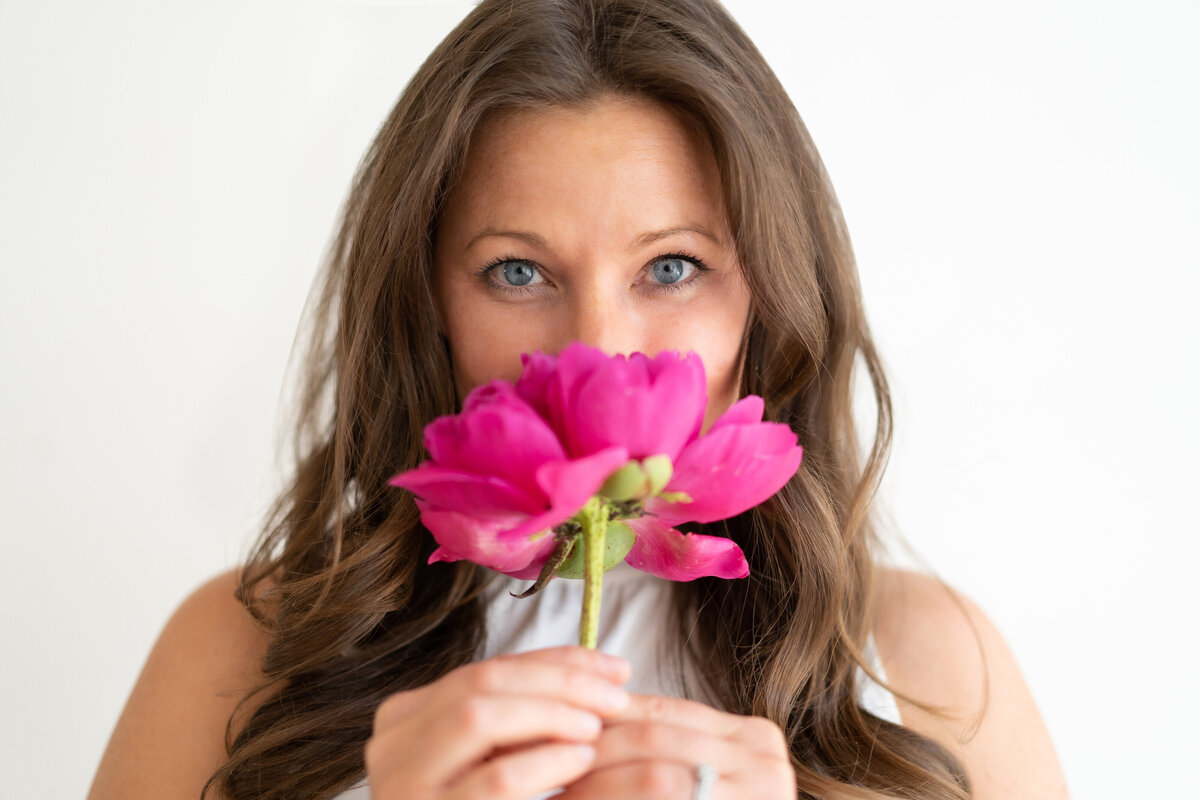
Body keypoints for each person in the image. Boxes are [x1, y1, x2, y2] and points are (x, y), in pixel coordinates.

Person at [88, 1, 1070, 798]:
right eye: (517, 271)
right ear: (427, 304)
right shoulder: (235, 651)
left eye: (673, 265)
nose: (597, 349)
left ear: (770, 297)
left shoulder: (923, 666)